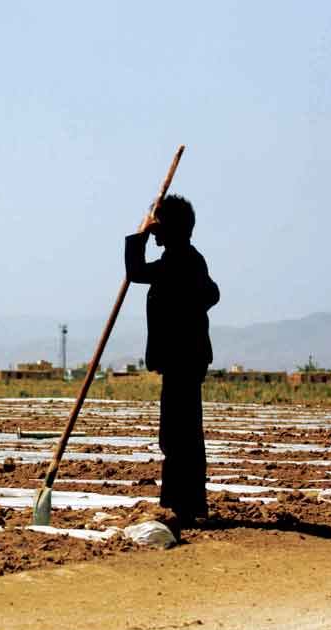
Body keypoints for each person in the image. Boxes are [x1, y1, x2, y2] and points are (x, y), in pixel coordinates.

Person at [124, 194, 219, 535]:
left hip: (184, 360)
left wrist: (140, 234)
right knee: (181, 434)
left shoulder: (181, 261)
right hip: (184, 360)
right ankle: (186, 505)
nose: (156, 232)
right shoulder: (186, 260)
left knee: (180, 437)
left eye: (160, 226)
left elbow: (136, 272)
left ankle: (186, 507)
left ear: (170, 229)